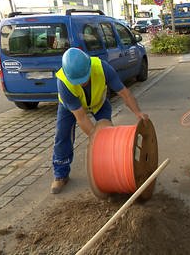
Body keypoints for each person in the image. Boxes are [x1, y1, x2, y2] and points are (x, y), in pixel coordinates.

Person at [50, 48, 148, 194]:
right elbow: (81, 117)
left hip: (99, 103)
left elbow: (125, 94)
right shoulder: (63, 82)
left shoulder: (103, 68)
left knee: (108, 135)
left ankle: (109, 170)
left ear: (89, 66)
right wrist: (96, 140)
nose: (83, 83)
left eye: (85, 78)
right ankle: (60, 175)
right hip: (71, 108)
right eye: (78, 81)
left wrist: (137, 112)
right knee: (62, 136)